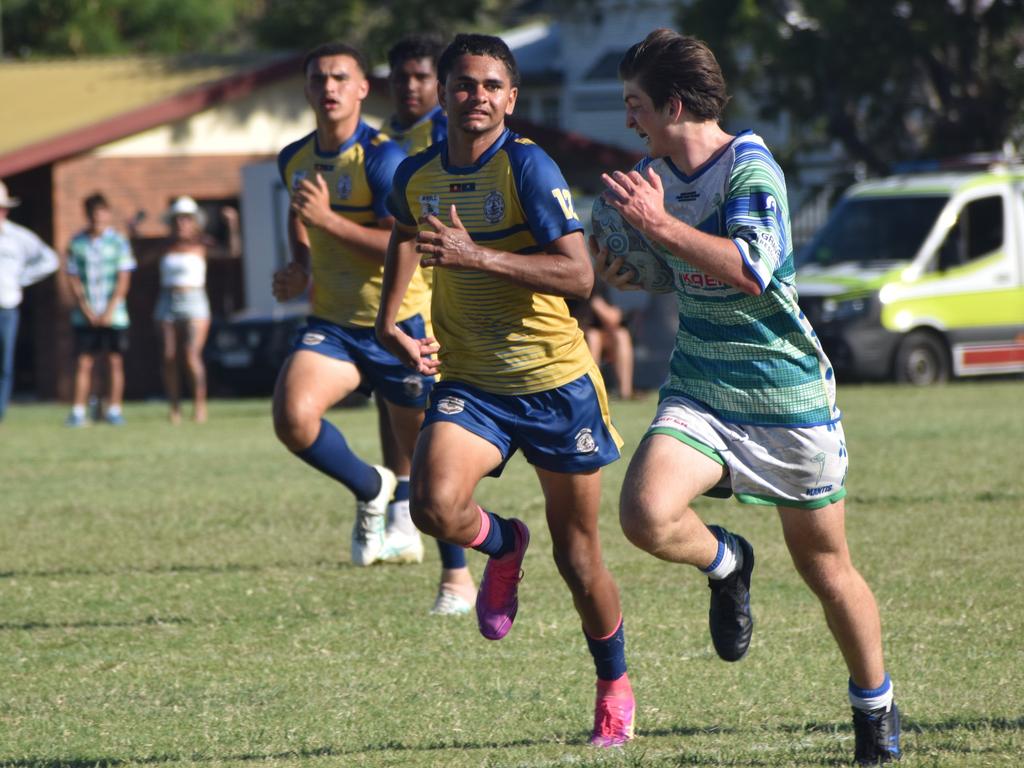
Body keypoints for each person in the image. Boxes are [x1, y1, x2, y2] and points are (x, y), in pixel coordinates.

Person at [595, 29, 901, 764]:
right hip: (702, 383)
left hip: (785, 395)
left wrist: (658, 227)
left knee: (827, 569)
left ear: (673, 104)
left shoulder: (750, 168)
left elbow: (750, 268)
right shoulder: (654, 176)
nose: (629, 120)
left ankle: (875, 707)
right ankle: (727, 563)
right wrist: (629, 266)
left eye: (636, 105)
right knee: (643, 514)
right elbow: (673, 269)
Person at [377, 33, 634, 747]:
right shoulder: (417, 174)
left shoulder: (527, 165)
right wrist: (390, 314)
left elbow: (580, 276)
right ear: (443, 93)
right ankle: (503, 542)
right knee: (432, 505)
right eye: (465, 84)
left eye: (492, 86)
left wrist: (473, 256)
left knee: (580, 560)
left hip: (555, 383)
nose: (477, 97)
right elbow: (402, 230)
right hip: (472, 381)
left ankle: (613, 684)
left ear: (511, 98)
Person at [271, 42, 440, 588]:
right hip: (335, 325)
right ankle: (372, 487)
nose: (329, 88)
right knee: (293, 418)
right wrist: (298, 264)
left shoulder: (383, 157)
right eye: (318, 78)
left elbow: (405, 241)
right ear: (306, 89)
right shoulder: (292, 158)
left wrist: (329, 222)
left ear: (363, 88)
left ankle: (449, 572)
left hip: (400, 325)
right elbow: (301, 215)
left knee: (425, 457)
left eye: (341, 77)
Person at [379, 33, 477, 615]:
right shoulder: (383, 143)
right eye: (404, 77)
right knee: (395, 426)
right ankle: (395, 515)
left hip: (436, 309)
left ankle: (457, 572)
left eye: (422, 77)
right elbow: (398, 230)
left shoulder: (456, 138)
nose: (411, 87)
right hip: (384, 304)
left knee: (425, 439)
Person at [152, 196, 240, 425]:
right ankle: (174, 407)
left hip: (194, 300)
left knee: (191, 354)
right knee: (169, 355)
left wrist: (232, 226)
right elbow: (138, 257)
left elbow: (231, 252)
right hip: (167, 298)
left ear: (194, 222)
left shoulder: (202, 244)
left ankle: (199, 406)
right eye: (178, 219)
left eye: (187, 219)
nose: (182, 223)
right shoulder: (165, 246)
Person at [65, 193, 136, 427]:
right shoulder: (77, 243)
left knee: (114, 361)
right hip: (86, 314)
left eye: (102, 213)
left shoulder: (118, 242)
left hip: (114, 314)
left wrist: (109, 309)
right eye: (94, 213)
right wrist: (85, 308)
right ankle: (78, 411)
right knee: (84, 362)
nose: (99, 218)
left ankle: (114, 409)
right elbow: (73, 279)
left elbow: (123, 279)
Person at [0, 180, 59, 422]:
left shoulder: (18, 237)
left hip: (7, 306)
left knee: (4, 364)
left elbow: (50, 259)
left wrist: (21, 279)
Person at [570, 285, 636, 400]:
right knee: (593, 337)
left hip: (600, 335)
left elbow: (612, 319)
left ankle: (625, 393)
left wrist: (595, 302)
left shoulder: (596, 284)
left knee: (621, 335)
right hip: (574, 336)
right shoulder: (566, 286)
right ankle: (591, 391)